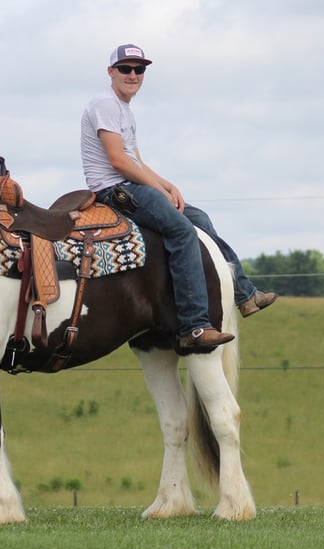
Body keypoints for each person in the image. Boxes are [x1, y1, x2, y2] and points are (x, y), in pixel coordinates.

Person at [81, 43, 277, 350]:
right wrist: (156, 190)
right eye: (125, 69)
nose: (133, 75)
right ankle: (195, 326)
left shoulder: (124, 110)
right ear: (111, 72)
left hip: (131, 184)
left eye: (139, 69)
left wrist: (168, 185)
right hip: (114, 191)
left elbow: (135, 161)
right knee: (182, 232)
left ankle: (245, 294)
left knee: (198, 218)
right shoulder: (104, 104)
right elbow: (118, 161)